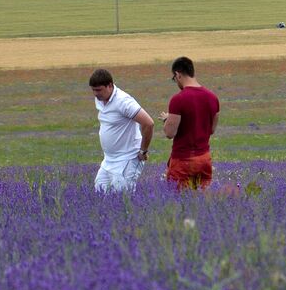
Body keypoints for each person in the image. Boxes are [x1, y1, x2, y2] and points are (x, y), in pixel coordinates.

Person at [88, 68, 153, 193]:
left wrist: (143, 151)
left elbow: (148, 123)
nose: (95, 94)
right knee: (98, 195)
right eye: (93, 90)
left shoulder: (123, 101)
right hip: (108, 160)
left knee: (123, 198)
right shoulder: (100, 99)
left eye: (98, 90)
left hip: (127, 159)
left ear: (110, 86)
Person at [163, 56, 220, 190]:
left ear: (178, 74)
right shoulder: (213, 98)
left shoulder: (178, 99)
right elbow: (211, 129)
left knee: (178, 201)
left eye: (174, 78)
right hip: (204, 159)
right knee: (203, 201)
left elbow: (170, 133)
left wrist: (167, 120)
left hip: (183, 161)